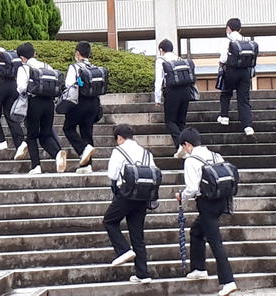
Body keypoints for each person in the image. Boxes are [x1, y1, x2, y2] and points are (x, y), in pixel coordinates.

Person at [177, 128, 237, 296]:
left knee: (215, 242)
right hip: (222, 200)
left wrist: (182, 196)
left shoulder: (191, 160)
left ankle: (228, 281)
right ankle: (198, 268)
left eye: (183, 147)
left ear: (187, 145)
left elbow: (192, 188)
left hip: (206, 203)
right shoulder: (216, 156)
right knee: (196, 231)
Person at [104, 124, 155, 284]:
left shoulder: (118, 151)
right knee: (138, 235)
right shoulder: (146, 152)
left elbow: (112, 174)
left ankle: (123, 250)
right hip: (143, 196)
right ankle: (143, 273)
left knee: (109, 221)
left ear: (119, 138)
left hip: (126, 194)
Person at [16, 42, 65, 175]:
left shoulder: (24, 68)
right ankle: (57, 154)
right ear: (34, 53)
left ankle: (36, 166)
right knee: (46, 134)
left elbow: (21, 88)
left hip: (34, 102)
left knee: (31, 136)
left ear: (22, 58)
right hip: (49, 103)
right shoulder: (47, 66)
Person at [62, 41, 102, 174]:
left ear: (77, 53)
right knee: (87, 133)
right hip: (94, 103)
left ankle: (83, 149)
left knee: (68, 128)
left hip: (79, 102)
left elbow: (68, 84)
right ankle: (87, 165)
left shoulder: (74, 67)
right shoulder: (94, 68)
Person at [154, 38, 193, 158]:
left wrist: (157, 98)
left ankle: (180, 145)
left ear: (161, 50)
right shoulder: (180, 59)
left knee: (170, 121)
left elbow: (159, 80)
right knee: (181, 121)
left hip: (172, 91)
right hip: (186, 91)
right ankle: (186, 148)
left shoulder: (161, 60)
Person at [218, 18, 255, 136]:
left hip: (231, 71)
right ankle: (248, 126)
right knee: (243, 100)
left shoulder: (227, 40)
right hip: (245, 72)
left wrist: (221, 64)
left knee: (226, 93)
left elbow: (223, 58)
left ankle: (224, 117)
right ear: (240, 29)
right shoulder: (247, 41)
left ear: (228, 28)